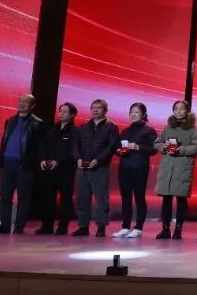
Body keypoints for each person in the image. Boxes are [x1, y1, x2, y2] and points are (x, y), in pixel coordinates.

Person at [0, 94, 43, 234]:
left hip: (24, 165)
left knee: (23, 197)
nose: (22, 103)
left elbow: (39, 147)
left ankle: (19, 226)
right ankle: (4, 226)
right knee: (5, 196)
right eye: (20, 101)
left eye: (26, 102)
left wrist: (30, 161)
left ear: (32, 106)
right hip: (7, 163)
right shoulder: (10, 121)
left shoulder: (37, 123)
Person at [153, 100, 197, 240]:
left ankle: (178, 229)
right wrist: (164, 146)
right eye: (176, 109)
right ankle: (165, 229)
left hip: (182, 167)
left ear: (187, 111)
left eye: (182, 109)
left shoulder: (192, 129)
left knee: (181, 199)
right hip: (167, 167)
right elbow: (157, 143)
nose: (178, 111)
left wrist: (181, 149)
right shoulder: (167, 128)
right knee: (166, 199)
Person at [72, 99, 119, 237]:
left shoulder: (111, 127)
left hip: (100, 167)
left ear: (105, 110)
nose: (95, 110)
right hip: (83, 167)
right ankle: (83, 226)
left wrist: (98, 160)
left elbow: (111, 146)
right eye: (93, 107)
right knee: (82, 197)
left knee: (101, 197)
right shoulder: (84, 126)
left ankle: (101, 226)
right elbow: (75, 145)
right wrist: (78, 158)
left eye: (98, 108)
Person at [113, 102, 157, 238]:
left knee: (139, 198)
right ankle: (125, 227)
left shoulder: (149, 131)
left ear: (143, 115)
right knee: (125, 199)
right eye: (131, 112)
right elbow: (117, 148)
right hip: (124, 168)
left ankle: (138, 227)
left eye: (136, 112)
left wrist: (138, 147)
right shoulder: (125, 131)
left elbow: (153, 149)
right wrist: (120, 151)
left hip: (139, 168)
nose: (133, 114)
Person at [37, 102, 78, 235]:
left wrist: (58, 161)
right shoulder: (52, 130)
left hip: (66, 170)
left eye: (65, 112)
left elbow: (73, 151)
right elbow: (43, 146)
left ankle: (62, 226)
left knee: (65, 199)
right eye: (60, 111)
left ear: (72, 115)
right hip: (49, 170)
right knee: (47, 198)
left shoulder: (75, 132)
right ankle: (47, 226)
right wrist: (42, 159)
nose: (61, 114)